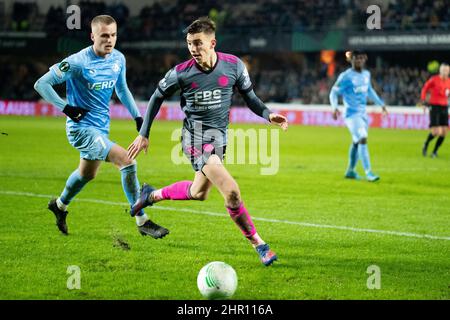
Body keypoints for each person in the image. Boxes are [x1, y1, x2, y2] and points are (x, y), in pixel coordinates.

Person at [127, 17, 288, 266]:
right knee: (232, 192)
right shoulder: (181, 73)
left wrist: (268, 114)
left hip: (219, 139)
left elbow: (251, 97)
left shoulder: (234, 66)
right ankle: (260, 245)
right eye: (189, 43)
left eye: (198, 43)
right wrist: (144, 133)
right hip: (195, 138)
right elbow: (156, 97)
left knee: (198, 192)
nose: (193, 48)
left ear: (212, 42)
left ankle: (151, 195)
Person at [34, 15, 168, 238]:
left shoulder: (118, 59)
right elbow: (41, 84)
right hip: (81, 129)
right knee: (127, 161)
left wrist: (137, 117)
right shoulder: (77, 62)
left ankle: (59, 205)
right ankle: (142, 218)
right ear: (92, 36)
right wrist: (66, 108)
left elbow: (122, 90)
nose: (110, 40)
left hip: (101, 128)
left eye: (113, 35)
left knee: (86, 174)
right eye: (104, 35)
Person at [329, 50, 388, 182]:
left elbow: (370, 91)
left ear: (365, 59)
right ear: (351, 60)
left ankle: (350, 170)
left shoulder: (366, 74)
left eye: (361, 58)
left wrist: (381, 104)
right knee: (362, 138)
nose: (359, 61)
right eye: (356, 58)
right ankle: (369, 172)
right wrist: (334, 107)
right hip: (351, 115)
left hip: (362, 115)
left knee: (356, 142)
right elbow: (333, 92)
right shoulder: (346, 76)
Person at [419, 62, 450, 158]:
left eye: (447, 70)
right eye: (443, 70)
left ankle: (434, 152)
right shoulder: (434, 79)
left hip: (444, 107)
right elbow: (425, 88)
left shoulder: (449, 81)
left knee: (444, 131)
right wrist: (424, 102)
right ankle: (426, 143)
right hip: (434, 106)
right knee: (436, 132)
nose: (445, 72)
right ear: (440, 70)